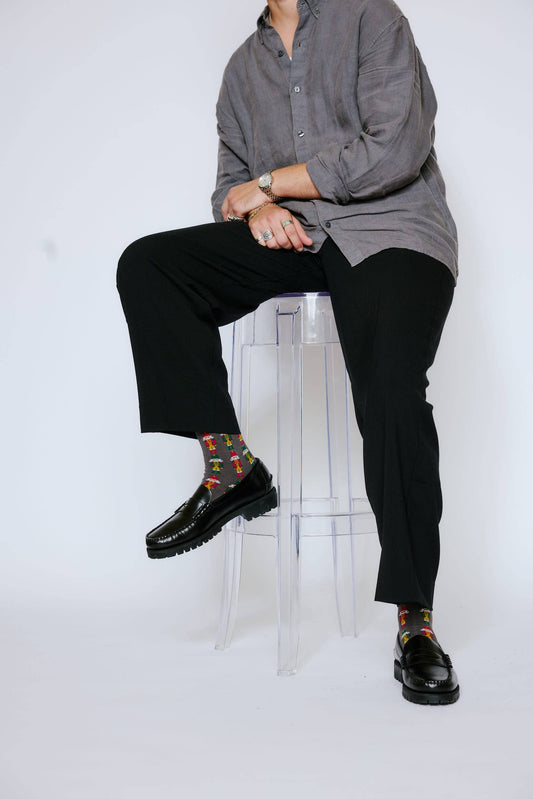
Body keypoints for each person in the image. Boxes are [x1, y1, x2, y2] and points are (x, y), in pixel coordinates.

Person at [116, 0, 460, 705]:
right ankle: (231, 468)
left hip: (390, 230)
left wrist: (272, 183)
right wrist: (256, 207)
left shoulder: (370, 18)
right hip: (296, 237)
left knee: (391, 386)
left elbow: (394, 147)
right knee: (150, 267)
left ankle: (415, 621)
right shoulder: (241, 70)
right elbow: (230, 186)